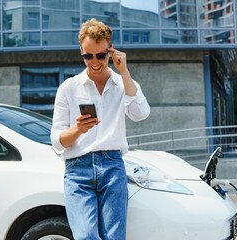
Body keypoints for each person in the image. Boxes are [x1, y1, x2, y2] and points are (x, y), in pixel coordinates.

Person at [51, 18, 150, 240]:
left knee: (114, 237)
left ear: (110, 51)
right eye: (88, 56)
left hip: (112, 165)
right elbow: (57, 140)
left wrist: (124, 72)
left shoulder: (123, 84)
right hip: (78, 170)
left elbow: (141, 113)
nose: (94, 62)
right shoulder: (68, 88)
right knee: (86, 236)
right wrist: (77, 129)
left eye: (101, 55)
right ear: (81, 52)